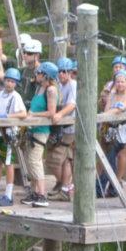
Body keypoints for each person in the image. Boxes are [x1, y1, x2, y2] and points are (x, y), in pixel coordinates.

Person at [97, 57, 126, 198]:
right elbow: (107, 107)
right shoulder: (112, 93)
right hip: (110, 128)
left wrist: (102, 116)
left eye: (122, 81)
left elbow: (119, 110)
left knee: (111, 157)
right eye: (118, 81)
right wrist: (104, 118)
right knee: (109, 157)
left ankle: (101, 188)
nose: (120, 84)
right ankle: (111, 188)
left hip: (122, 130)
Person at [20, 60, 58, 206]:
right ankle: (35, 192)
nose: (37, 75)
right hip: (32, 129)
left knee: (35, 161)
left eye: (39, 73)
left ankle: (42, 194)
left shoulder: (51, 90)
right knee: (29, 160)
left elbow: (51, 112)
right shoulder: (39, 88)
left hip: (41, 130)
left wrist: (33, 115)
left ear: (46, 75)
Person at [0, 66, 25, 205]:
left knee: (8, 164)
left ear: (16, 84)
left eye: (12, 81)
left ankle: (8, 196)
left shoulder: (16, 97)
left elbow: (23, 113)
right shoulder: (0, 95)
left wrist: (9, 116)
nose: (9, 83)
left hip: (8, 134)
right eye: (8, 80)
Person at [47, 57, 79, 197]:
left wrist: (59, 115)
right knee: (59, 159)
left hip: (70, 127)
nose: (62, 74)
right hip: (60, 127)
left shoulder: (73, 85)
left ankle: (65, 186)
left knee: (62, 158)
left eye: (65, 71)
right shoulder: (58, 85)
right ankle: (64, 185)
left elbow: (72, 105)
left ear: (70, 72)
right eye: (60, 71)